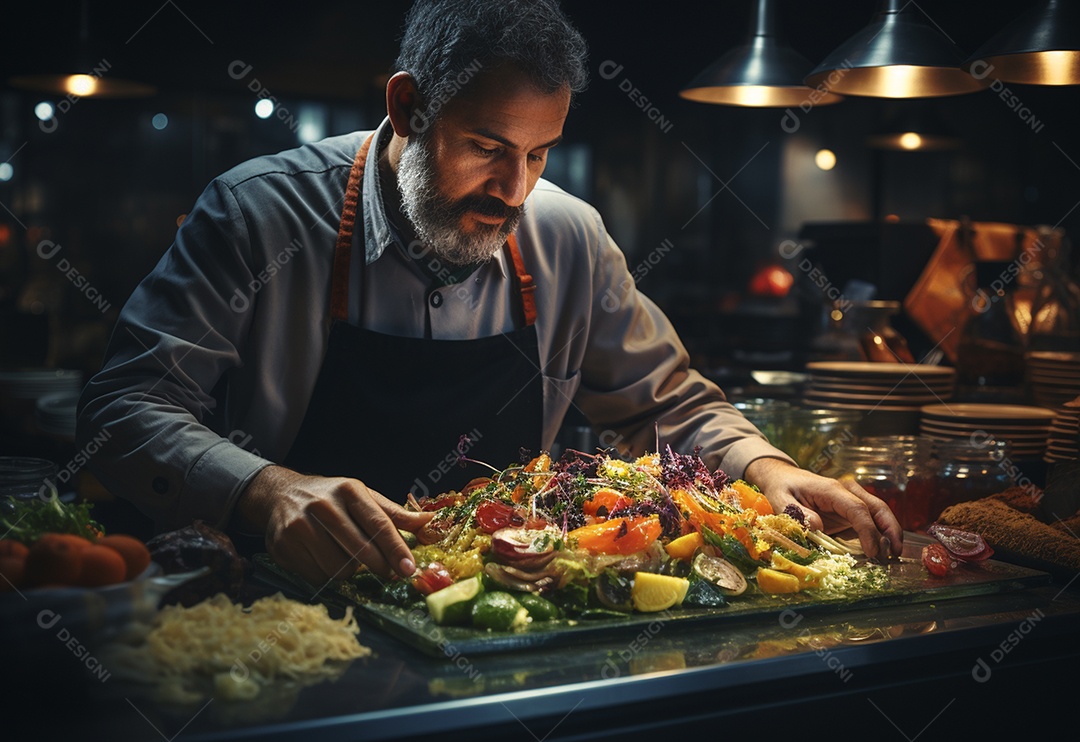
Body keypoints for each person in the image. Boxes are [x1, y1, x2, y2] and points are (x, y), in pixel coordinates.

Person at [77, 0, 903, 585]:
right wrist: (267, 489)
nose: (514, 189)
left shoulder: (568, 234)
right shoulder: (258, 212)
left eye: (540, 153)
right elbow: (121, 410)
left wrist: (767, 466)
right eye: (485, 145)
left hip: (500, 616)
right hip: (276, 608)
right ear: (406, 105)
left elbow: (672, 407)